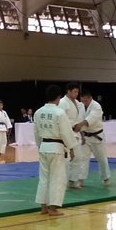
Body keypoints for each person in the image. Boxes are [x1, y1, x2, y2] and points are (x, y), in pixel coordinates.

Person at [34, 85, 78, 216]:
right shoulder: (59, 112)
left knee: (44, 178)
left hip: (44, 147)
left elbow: (36, 132)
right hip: (56, 148)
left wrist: (39, 146)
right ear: (58, 98)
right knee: (57, 178)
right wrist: (71, 148)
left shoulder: (38, 112)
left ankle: (43, 207)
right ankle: (52, 208)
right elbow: (66, 132)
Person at [75, 90, 111, 187]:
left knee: (102, 159)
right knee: (83, 159)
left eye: (86, 101)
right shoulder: (81, 105)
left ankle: (106, 179)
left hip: (97, 136)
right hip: (86, 136)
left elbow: (90, 119)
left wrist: (80, 125)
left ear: (90, 98)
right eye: (82, 101)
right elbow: (79, 119)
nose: (84, 103)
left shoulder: (96, 106)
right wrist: (81, 135)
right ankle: (81, 181)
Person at [58, 82, 86, 188]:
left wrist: (82, 134)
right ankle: (63, 183)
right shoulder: (62, 102)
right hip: (67, 133)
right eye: (75, 91)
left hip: (76, 133)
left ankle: (72, 181)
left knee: (78, 158)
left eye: (77, 92)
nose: (76, 94)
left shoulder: (77, 102)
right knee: (67, 159)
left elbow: (79, 120)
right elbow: (61, 120)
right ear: (68, 91)